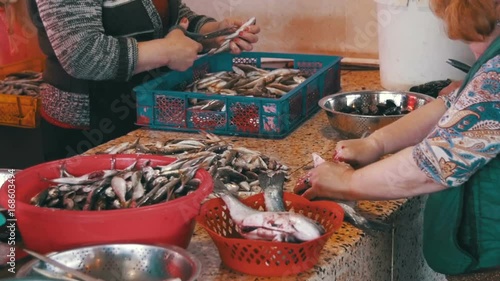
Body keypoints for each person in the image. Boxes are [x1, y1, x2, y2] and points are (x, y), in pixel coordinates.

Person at [294, 0, 499, 280]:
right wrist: (376, 143)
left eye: (473, 38)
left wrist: (347, 183)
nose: (473, 53)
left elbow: (437, 164)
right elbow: (452, 106)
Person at [26, 0, 260, 161]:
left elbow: (172, 17)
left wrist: (212, 32)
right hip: (89, 129)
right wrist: (167, 52)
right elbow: (83, 55)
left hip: (145, 111)